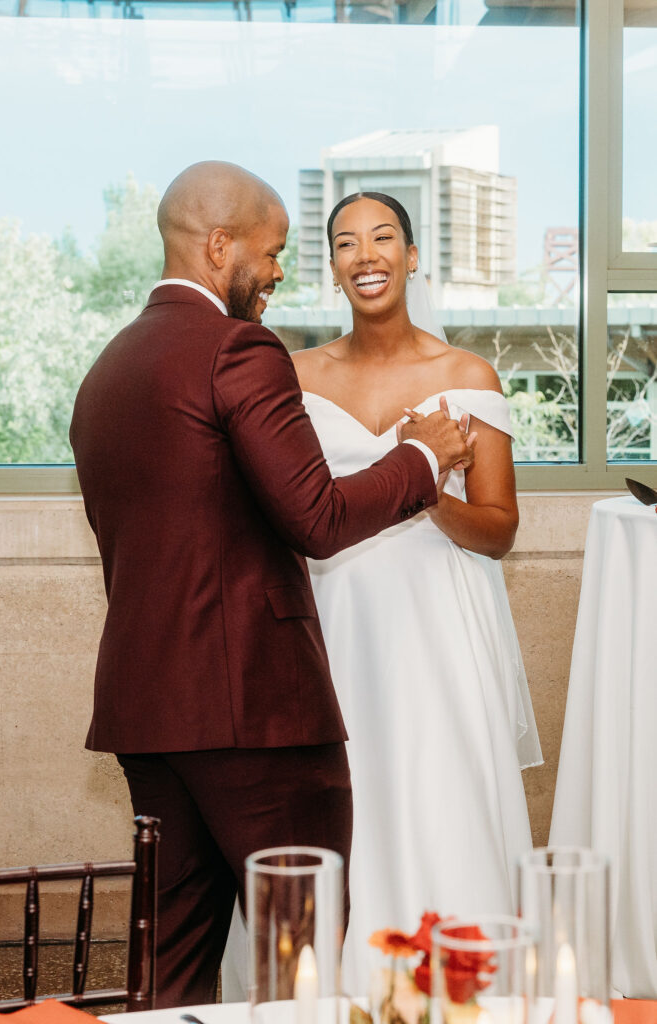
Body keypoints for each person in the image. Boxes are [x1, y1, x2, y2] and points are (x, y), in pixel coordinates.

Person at [69, 164, 475, 1008]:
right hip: (254, 710)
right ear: (219, 247)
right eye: (273, 249)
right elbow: (316, 517)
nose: (282, 269)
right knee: (301, 957)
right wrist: (424, 458)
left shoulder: (110, 368)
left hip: (149, 712)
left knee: (170, 965)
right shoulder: (237, 348)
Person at [292, 192, 543, 994]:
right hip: (334, 619)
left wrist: (424, 478)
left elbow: (499, 529)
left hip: (437, 627)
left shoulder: (465, 376)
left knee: (440, 796)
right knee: (341, 801)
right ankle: (339, 991)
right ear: (330, 267)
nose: (364, 255)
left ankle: (458, 986)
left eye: (381, 238)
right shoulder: (293, 377)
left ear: (410, 256)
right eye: (344, 243)